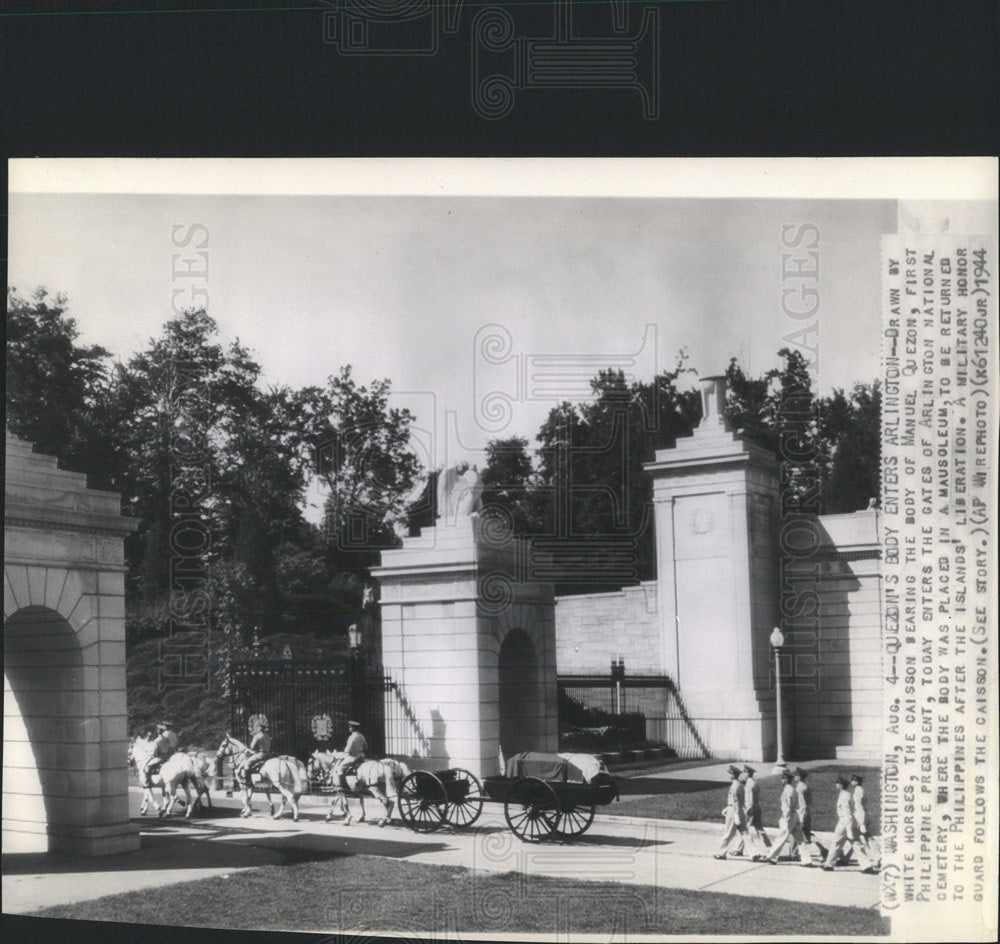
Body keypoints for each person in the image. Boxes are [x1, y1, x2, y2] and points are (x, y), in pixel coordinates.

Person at [760, 769, 813, 866]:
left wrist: (786, 818)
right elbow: (797, 805)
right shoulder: (793, 789)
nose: (781, 780)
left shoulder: (787, 791)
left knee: (781, 837)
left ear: (786, 779)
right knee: (800, 840)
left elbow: (787, 806)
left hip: (789, 817)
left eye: (782, 778)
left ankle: (771, 857)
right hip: (795, 816)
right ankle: (807, 860)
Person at [822, 776, 875, 872]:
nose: (836, 784)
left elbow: (848, 814)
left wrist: (849, 830)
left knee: (836, 843)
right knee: (856, 844)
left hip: (845, 822)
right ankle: (867, 866)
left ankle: (829, 864)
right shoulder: (847, 794)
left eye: (837, 783)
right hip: (851, 822)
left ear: (841, 785)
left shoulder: (844, 797)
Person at [732, 765, 770, 857]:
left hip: (751, 808)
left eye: (744, 772)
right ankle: (769, 847)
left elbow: (750, 798)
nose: (743, 774)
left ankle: (738, 850)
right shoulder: (755, 783)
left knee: (744, 829)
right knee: (759, 829)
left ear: (748, 773)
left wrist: (748, 809)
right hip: (757, 807)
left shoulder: (749, 784)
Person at [793, 767, 828, 862]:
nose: (794, 776)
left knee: (800, 833)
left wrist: (801, 817)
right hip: (807, 811)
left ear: (800, 777)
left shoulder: (799, 787)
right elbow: (810, 801)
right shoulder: (805, 786)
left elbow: (801, 803)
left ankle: (819, 851)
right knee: (806, 834)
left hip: (802, 812)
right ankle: (822, 850)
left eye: (796, 775)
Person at [714, 765, 747, 859]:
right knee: (745, 834)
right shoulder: (740, 785)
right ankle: (754, 854)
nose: (729, 775)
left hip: (734, 812)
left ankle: (721, 853)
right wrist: (728, 808)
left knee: (728, 833)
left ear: (733, 775)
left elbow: (735, 801)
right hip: (739, 810)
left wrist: (735, 814)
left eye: (730, 774)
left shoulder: (734, 786)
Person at [851, 773, 881, 869]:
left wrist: (861, 822)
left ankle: (879, 857)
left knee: (865, 837)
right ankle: (878, 857)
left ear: (856, 781)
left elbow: (859, 806)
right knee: (865, 838)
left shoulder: (858, 790)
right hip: (862, 814)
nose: (852, 782)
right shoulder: (860, 789)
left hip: (861, 815)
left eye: (853, 780)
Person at [236, 719, 273, 786]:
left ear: (259, 728)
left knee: (247, 764)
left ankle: (247, 781)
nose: (256, 728)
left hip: (260, 754)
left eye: (257, 727)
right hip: (268, 754)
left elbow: (252, 747)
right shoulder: (268, 736)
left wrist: (249, 750)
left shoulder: (257, 736)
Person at [333, 720, 368, 790]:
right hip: (361, 756)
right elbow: (366, 747)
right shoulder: (362, 736)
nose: (349, 729)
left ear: (353, 728)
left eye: (350, 727)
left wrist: (343, 753)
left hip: (353, 757)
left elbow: (347, 750)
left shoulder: (352, 737)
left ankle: (343, 787)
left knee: (340, 768)